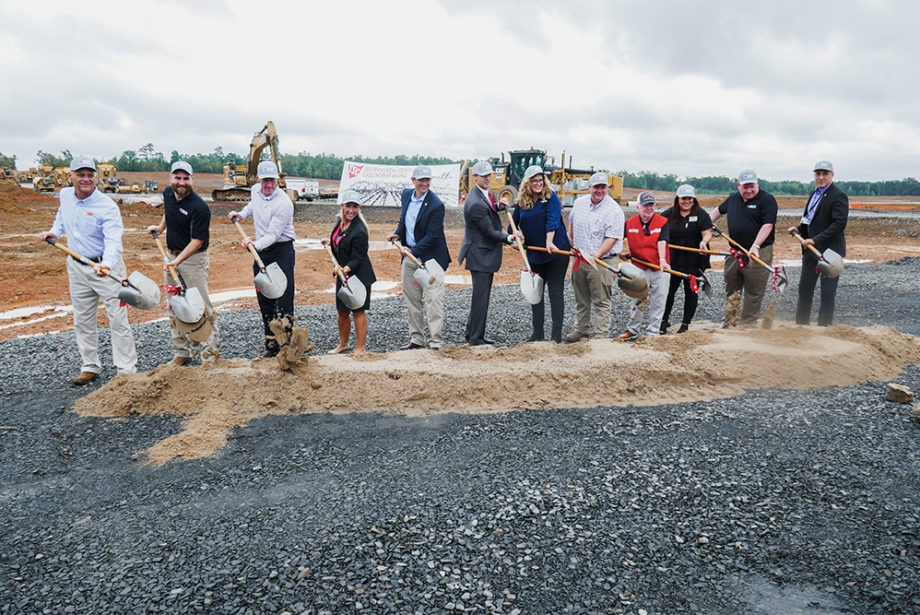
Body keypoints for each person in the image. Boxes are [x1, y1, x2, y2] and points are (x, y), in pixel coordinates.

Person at [39, 156, 138, 384]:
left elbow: (114, 241)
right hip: (77, 266)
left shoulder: (107, 206)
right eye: (80, 174)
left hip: (105, 268)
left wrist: (107, 265)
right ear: (70, 176)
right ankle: (90, 366)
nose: (86, 179)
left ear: (96, 177)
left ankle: (126, 371)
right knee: (82, 319)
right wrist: (55, 232)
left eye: (90, 174)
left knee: (118, 319)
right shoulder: (65, 195)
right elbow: (62, 217)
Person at [146, 161, 219, 364]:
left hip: (193, 261)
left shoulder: (199, 207)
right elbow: (169, 212)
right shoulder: (168, 194)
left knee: (201, 306)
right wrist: (160, 228)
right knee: (174, 304)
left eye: (186, 178)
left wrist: (176, 261)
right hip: (172, 258)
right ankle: (181, 352)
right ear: (171, 178)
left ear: (191, 180)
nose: (181, 182)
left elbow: (197, 242)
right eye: (177, 178)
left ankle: (209, 356)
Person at [228, 161, 296, 357]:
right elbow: (253, 206)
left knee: (283, 300)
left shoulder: (283, 204)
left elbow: (273, 235)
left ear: (277, 180)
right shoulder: (255, 190)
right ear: (258, 179)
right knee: (265, 300)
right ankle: (271, 346)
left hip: (281, 251)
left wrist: (253, 244)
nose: (268, 185)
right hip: (261, 252)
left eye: (272, 181)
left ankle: (287, 348)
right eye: (265, 180)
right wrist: (241, 215)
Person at [386, 165, 451, 350]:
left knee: (433, 299)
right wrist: (398, 234)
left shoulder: (436, 205)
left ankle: (436, 341)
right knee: (412, 298)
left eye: (427, 180)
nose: (424, 183)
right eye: (421, 180)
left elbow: (431, 236)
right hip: (410, 257)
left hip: (431, 259)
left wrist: (412, 251)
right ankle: (417, 340)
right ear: (413, 180)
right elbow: (404, 220)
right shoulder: (406, 195)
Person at [457, 161, 521, 346]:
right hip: (480, 254)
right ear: (474, 177)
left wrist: (499, 207)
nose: (487, 178)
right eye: (483, 175)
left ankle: (473, 334)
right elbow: (489, 232)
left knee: (480, 296)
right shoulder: (475, 202)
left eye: (489, 175)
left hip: (481, 252)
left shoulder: (482, 192)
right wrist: (510, 238)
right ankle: (476, 339)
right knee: (481, 298)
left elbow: (489, 209)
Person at [510, 165, 571, 343]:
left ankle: (556, 336)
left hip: (556, 250)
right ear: (527, 183)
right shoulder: (522, 202)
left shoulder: (551, 198)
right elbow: (512, 226)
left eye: (540, 179)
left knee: (555, 292)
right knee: (536, 293)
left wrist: (549, 241)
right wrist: (515, 240)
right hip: (535, 253)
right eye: (534, 180)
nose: (538, 183)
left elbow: (552, 220)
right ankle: (538, 333)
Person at [710, 170, 778, 326]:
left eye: (752, 186)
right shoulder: (734, 198)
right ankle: (730, 320)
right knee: (732, 285)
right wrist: (708, 221)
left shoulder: (767, 200)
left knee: (754, 290)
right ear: (738, 186)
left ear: (757, 184)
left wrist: (756, 245)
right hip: (734, 252)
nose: (749, 190)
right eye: (745, 187)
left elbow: (768, 225)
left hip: (758, 251)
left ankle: (748, 323)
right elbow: (718, 211)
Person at [787, 161, 849, 326]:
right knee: (805, 290)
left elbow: (839, 224)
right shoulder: (814, 193)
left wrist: (815, 239)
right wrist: (799, 228)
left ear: (832, 175)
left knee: (827, 293)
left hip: (830, 254)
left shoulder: (838, 195)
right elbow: (811, 219)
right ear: (814, 175)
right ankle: (801, 325)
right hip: (810, 251)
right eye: (818, 174)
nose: (821, 177)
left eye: (825, 174)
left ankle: (824, 328)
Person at [566, 172, 624, 341]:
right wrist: (571, 241)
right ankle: (581, 330)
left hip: (602, 261)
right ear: (589, 187)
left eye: (603, 187)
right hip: (580, 258)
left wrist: (596, 256)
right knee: (581, 297)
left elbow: (612, 238)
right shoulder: (579, 203)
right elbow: (572, 221)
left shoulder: (614, 210)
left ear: (607, 188)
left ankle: (601, 336)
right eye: (596, 187)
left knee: (601, 300)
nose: (599, 190)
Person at [660, 184, 713, 334]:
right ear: (678, 199)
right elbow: (659, 234)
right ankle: (663, 321)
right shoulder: (667, 215)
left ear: (693, 199)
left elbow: (707, 233)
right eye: (683, 198)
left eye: (689, 198)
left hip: (694, 257)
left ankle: (685, 324)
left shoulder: (701, 214)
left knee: (691, 292)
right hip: (673, 258)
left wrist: (704, 242)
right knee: (669, 291)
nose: (686, 201)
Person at [329, 189, 376, 355]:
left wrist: (344, 269)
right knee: (342, 311)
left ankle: (360, 348)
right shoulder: (340, 222)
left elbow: (358, 258)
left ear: (359, 208)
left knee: (358, 311)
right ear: (342, 206)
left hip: (358, 275)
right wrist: (328, 244)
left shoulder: (360, 231)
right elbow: (337, 241)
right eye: (348, 206)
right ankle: (343, 344)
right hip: (343, 273)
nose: (351, 210)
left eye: (354, 206)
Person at [619, 191, 670, 340]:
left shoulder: (662, 222)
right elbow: (616, 239)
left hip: (660, 267)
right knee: (637, 299)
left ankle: (653, 333)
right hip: (639, 267)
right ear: (638, 207)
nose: (649, 208)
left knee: (658, 301)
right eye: (645, 205)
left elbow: (662, 242)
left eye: (651, 205)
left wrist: (662, 260)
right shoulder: (629, 223)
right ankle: (632, 330)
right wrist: (618, 253)